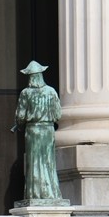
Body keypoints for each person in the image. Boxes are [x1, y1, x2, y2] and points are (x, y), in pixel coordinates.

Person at [12, 61, 67, 205]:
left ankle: (35, 193)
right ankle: (50, 193)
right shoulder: (51, 92)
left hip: (33, 131)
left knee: (34, 162)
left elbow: (20, 116)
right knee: (48, 162)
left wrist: (18, 124)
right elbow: (58, 114)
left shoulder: (26, 93)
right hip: (48, 130)